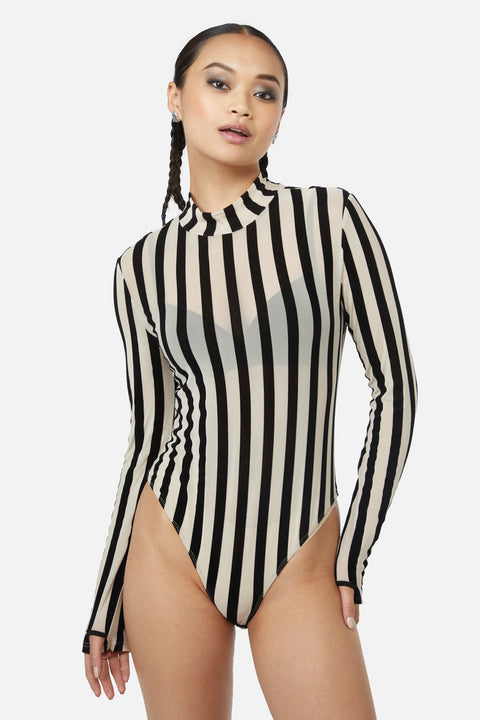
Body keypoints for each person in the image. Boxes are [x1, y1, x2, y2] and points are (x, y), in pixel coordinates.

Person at [82, 22, 417, 719]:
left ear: (280, 116)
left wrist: (353, 551)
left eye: (265, 92)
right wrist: (106, 596)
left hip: (302, 555)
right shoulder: (139, 267)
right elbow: (148, 433)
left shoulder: (330, 220)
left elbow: (395, 389)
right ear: (175, 98)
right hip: (170, 552)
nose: (241, 105)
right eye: (219, 83)